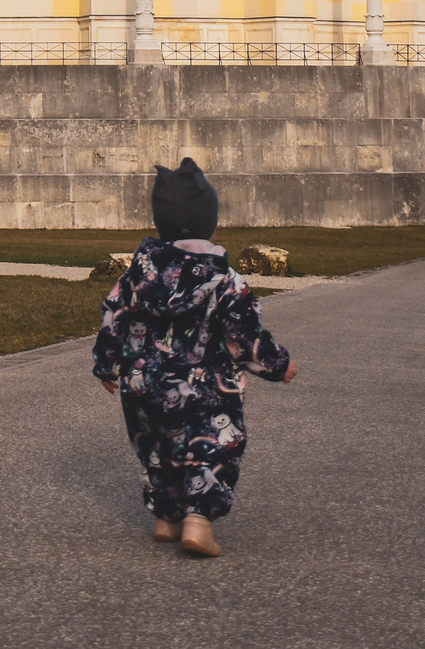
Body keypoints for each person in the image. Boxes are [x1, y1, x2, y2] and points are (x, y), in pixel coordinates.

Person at [92, 158, 296, 558]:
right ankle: (198, 522)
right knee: (214, 446)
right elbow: (244, 336)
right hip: (204, 386)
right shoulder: (225, 279)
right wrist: (277, 364)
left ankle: (166, 518)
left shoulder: (137, 274)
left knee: (157, 446)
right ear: (210, 223)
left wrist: (106, 362)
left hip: (142, 383)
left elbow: (112, 315)